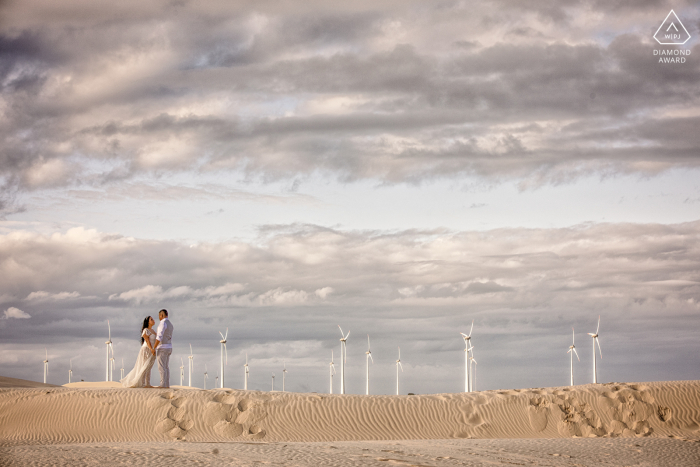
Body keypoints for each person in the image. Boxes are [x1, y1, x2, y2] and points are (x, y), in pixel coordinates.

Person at [120, 316, 157, 388]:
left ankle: (148, 384)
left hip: (152, 349)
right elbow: (147, 340)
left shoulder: (153, 331)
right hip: (146, 349)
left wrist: (154, 348)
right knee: (144, 366)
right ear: (148, 322)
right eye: (151, 319)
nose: (153, 320)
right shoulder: (146, 330)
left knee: (149, 367)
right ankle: (142, 383)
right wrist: (151, 349)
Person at [154, 309, 173, 388]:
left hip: (163, 347)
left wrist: (154, 347)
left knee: (161, 367)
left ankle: (162, 384)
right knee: (166, 367)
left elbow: (159, 337)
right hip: (169, 346)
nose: (159, 317)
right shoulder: (170, 324)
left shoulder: (162, 323)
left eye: (159, 316)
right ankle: (166, 384)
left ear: (161, 315)